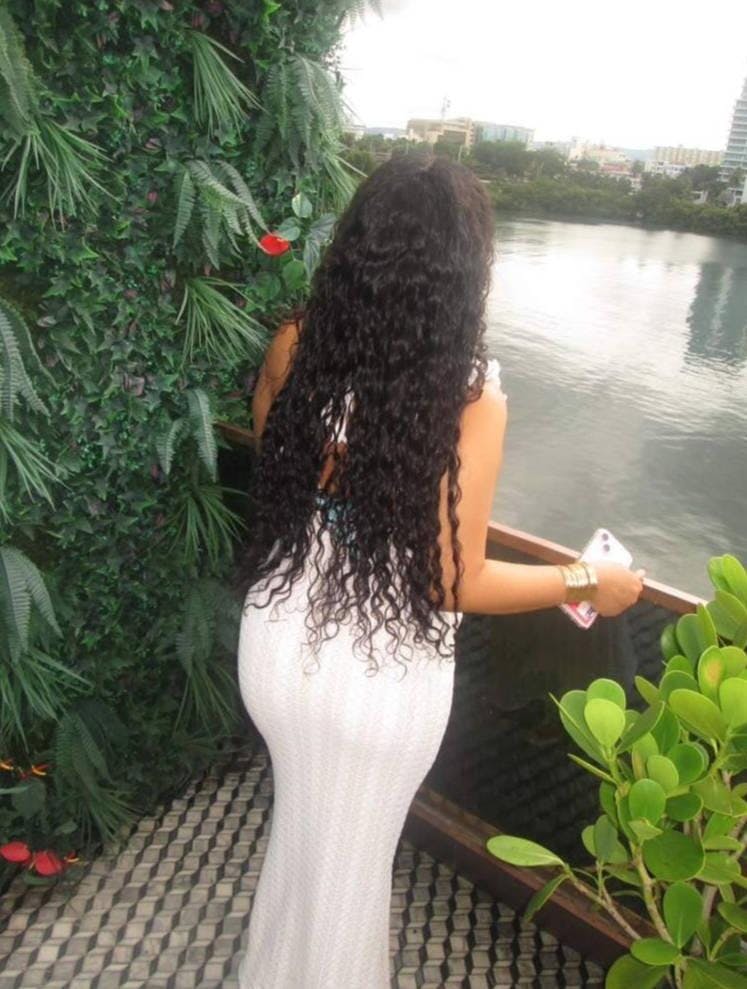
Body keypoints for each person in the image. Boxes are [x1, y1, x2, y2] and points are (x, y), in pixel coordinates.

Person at [232, 152, 645, 989]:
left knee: (310, 845)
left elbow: (287, 468)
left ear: (355, 245)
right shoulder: (466, 395)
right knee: (348, 877)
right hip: (374, 681)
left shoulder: (294, 345)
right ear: (463, 272)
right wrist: (585, 582)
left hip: (276, 644)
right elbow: (450, 580)